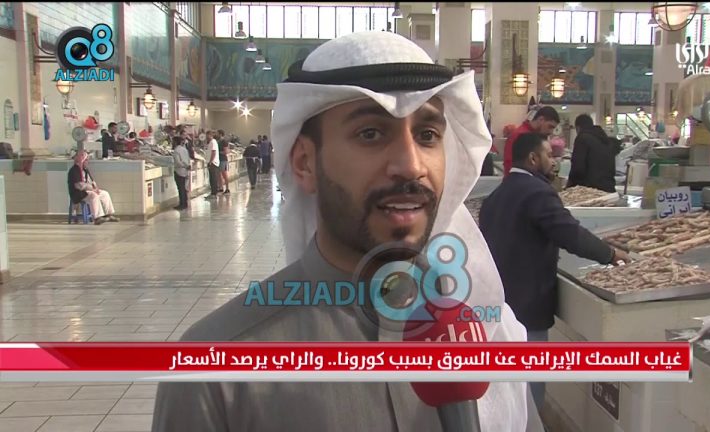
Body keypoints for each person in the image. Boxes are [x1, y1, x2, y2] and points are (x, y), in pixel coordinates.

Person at [152, 31, 533, 432]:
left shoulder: (494, 332)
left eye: (427, 135)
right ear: (305, 163)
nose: (411, 165)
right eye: (371, 134)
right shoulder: (216, 371)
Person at [479, 133, 629, 412]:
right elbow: (569, 233)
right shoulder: (537, 192)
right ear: (533, 158)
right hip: (528, 308)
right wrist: (609, 254)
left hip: (500, 305)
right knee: (530, 388)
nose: (554, 161)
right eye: (548, 155)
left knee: (510, 390)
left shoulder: (497, 195)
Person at [567, 114, 619, 193]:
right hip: (609, 189)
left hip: (590, 190)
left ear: (578, 128)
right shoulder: (605, 140)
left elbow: (578, 167)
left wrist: (569, 186)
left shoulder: (582, 138)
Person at [502, 106, 560, 177]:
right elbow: (510, 164)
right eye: (550, 127)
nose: (551, 132)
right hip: (521, 180)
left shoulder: (538, 135)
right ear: (541, 119)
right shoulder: (520, 135)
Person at [67, 150, 120, 225]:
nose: (87, 162)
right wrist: (92, 189)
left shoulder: (85, 170)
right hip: (78, 193)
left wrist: (96, 188)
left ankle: (109, 215)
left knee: (104, 194)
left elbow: (92, 182)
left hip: (88, 191)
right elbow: (80, 186)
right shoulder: (74, 170)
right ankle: (97, 218)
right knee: (93, 196)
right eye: (85, 160)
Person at [172, 135, 191, 210]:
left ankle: (182, 204)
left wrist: (183, 165)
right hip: (185, 171)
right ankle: (185, 203)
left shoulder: (176, 151)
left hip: (179, 170)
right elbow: (188, 159)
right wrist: (187, 166)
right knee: (184, 188)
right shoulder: (184, 149)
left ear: (175, 142)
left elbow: (178, 162)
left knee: (181, 188)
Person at [204, 130, 220, 199]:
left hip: (213, 163)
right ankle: (213, 192)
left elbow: (214, 152)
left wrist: (210, 161)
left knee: (213, 178)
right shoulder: (211, 142)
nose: (206, 137)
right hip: (211, 162)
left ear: (210, 135)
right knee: (212, 178)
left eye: (207, 135)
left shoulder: (213, 142)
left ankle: (214, 193)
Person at [217, 129, 231, 194]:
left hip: (223, 160)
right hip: (218, 159)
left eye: (217, 133)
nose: (216, 134)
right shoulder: (218, 141)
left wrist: (219, 152)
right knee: (219, 174)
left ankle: (227, 188)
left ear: (220, 134)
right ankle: (221, 187)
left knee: (224, 174)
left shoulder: (224, 141)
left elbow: (226, 151)